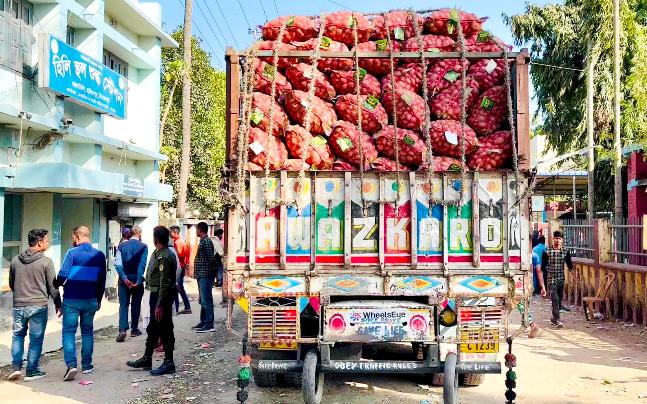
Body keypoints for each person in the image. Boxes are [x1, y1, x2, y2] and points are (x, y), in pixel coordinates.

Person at [7, 229, 61, 381]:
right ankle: (32, 370)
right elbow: (52, 287)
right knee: (36, 339)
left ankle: (16, 368)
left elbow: (12, 284)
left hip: (18, 305)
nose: (48, 242)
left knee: (17, 336)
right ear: (39, 243)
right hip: (38, 306)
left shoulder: (15, 260)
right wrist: (58, 304)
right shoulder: (46, 262)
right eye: (46, 240)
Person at [57, 226, 107, 381]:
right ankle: (87, 365)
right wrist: (98, 300)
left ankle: (72, 365)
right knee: (87, 332)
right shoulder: (99, 255)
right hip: (91, 299)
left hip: (72, 299)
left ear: (76, 237)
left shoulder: (71, 253)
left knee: (68, 332)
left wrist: (55, 284)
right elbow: (102, 280)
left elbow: (62, 276)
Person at [127, 226, 177, 376]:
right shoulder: (158, 253)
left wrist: (160, 304)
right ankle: (147, 358)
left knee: (165, 329)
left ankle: (169, 362)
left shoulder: (164, 256)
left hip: (161, 296)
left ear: (156, 239)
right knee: (153, 329)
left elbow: (165, 282)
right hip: (155, 295)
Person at [115, 226, 148, 342]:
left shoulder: (122, 246)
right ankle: (134, 329)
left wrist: (124, 278)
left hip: (124, 281)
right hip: (136, 280)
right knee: (136, 304)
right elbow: (142, 265)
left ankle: (122, 330)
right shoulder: (143, 247)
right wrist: (138, 280)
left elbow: (118, 265)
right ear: (139, 234)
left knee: (123, 305)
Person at [542, 231, 574, 328]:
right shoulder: (547, 251)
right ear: (553, 239)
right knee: (555, 299)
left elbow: (570, 266)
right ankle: (557, 320)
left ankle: (554, 318)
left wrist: (575, 277)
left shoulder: (565, 252)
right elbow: (543, 267)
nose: (557, 240)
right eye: (556, 238)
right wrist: (543, 285)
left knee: (559, 299)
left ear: (562, 240)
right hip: (551, 279)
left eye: (559, 239)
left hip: (561, 279)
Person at [193, 222, 215, 333]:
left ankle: (209, 323)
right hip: (201, 274)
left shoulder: (206, 241)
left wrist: (211, 274)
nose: (196, 231)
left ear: (200, 230)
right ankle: (204, 321)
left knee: (206, 300)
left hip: (205, 275)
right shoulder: (203, 241)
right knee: (203, 299)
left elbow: (211, 258)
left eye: (196, 229)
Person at [170, 226, 191, 315]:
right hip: (181, 266)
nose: (170, 234)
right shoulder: (180, 241)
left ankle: (180, 307)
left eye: (171, 232)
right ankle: (185, 306)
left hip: (179, 267)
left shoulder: (178, 242)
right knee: (179, 287)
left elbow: (179, 255)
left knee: (177, 287)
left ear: (175, 232)